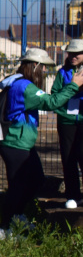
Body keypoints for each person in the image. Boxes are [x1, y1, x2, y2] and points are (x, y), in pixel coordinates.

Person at [0, 47, 83, 239]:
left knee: (35, 180)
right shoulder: (25, 87)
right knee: (18, 186)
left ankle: (17, 217)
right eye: (43, 68)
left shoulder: (21, 84)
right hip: (15, 144)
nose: (45, 72)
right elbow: (51, 102)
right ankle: (5, 227)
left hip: (23, 143)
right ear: (34, 66)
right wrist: (74, 85)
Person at [51, 39, 83, 209]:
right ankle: (73, 195)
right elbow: (54, 93)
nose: (73, 56)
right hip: (66, 120)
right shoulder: (63, 72)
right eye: (70, 53)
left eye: (77, 53)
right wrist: (71, 89)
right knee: (68, 157)